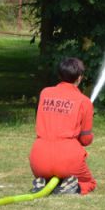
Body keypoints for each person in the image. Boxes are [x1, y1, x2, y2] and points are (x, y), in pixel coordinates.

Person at [29, 57, 96, 195]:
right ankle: (73, 187)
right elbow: (85, 140)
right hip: (68, 159)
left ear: (59, 75)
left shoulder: (45, 93)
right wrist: (90, 136)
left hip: (39, 159)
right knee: (89, 183)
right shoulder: (84, 101)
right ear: (79, 78)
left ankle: (44, 181)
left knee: (54, 175)